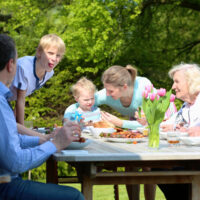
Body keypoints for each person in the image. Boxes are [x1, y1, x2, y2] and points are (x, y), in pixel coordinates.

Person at [0, 34, 84, 200]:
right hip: (5, 184)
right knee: (74, 197)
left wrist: (43, 140)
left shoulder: (3, 100)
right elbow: (15, 163)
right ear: (11, 65)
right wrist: (55, 143)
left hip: (5, 179)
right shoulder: (2, 104)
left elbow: (9, 140)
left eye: (58, 55)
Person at [158, 63, 200, 200]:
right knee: (158, 168)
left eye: (177, 82)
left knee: (165, 171)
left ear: (191, 82)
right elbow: (167, 125)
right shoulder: (186, 106)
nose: (173, 87)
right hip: (188, 158)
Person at [9, 33, 66, 125]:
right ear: (39, 52)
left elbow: (19, 101)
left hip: (7, 100)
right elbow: (20, 100)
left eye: (58, 55)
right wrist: (21, 128)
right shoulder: (24, 68)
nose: (54, 59)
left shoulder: (49, 73)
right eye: (50, 53)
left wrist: (15, 123)